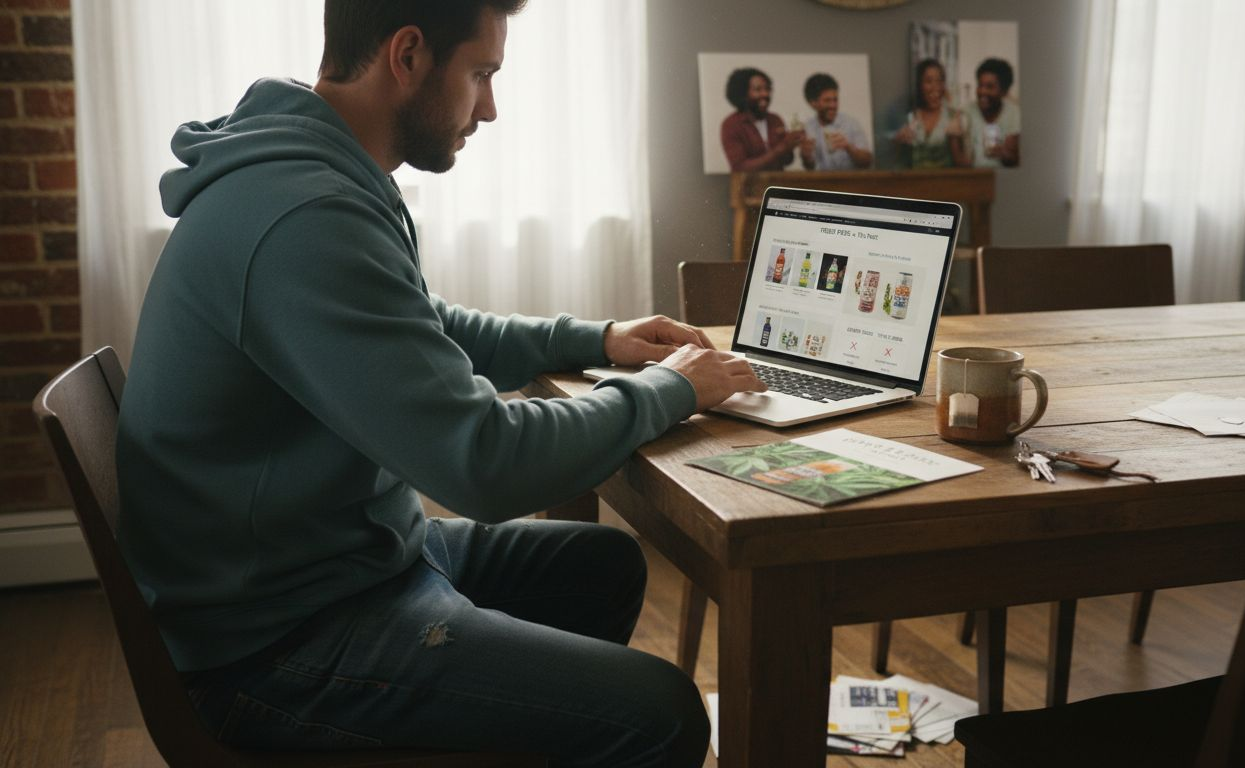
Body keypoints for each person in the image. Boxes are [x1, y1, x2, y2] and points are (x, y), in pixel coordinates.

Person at [115, 1, 764, 765]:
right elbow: (484, 463)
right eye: (482, 73)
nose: (489, 108)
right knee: (661, 715)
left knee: (603, 565)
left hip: (338, 562)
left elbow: (423, 327)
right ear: (409, 55)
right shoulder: (303, 213)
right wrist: (671, 389)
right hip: (276, 643)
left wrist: (598, 339)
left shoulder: (312, 165)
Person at [719, 66, 803, 172]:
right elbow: (740, 167)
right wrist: (782, 147)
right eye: (758, 89)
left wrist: (792, 146)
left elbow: (787, 161)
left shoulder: (775, 119)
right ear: (742, 94)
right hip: (748, 187)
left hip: (776, 186)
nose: (765, 94)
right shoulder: (731, 124)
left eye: (767, 89)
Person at [892, 58, 969, 169]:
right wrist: (898, 143)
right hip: (915, 184)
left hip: (947, 183)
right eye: (928, 81)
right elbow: (900, 163)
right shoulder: (910, 116)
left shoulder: (953, 116)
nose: (935, 87)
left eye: (939, 81)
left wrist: (955, 139)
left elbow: (962, 163)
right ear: (919, 85)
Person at [798, 72, 873, 171]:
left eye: (835, 100)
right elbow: (810, 167)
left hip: (851, 184)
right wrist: (806, 157)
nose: (833, 105)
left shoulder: (851, 123)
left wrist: (849, 148)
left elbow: (867, 161)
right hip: (821, 184)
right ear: (813, 103)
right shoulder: (808, 127)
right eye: (827, 101)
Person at [966, 57, 1021, 168]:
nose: (982, 91)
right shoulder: (967, 112)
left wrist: (1004, 154)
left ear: (1004, 91)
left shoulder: (1014, 114)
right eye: (980, 85)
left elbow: (1014, 160)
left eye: (989, 87)